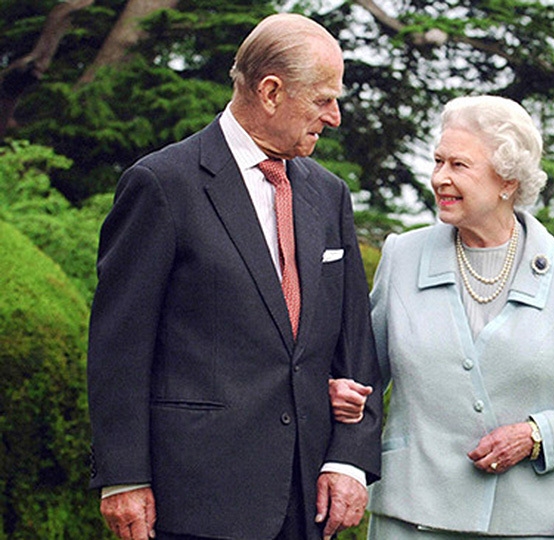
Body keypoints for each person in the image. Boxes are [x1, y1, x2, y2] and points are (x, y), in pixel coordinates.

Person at [87, 13, 382, 540]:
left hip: (307, 498)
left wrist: (350, 460)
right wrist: (122, 478)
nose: (334, 117)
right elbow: (118, 346)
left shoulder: (329, 194)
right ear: (271, 91)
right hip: (196, 500)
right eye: (323, 99)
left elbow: (354, 345)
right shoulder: (162, 184)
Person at [332, 95, 554, 538]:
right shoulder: (402, 256)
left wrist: (538, 436)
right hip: (410, 517)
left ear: (507, 181)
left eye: (459, 165)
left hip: (529, 524)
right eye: (438, 162)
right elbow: (362, 375)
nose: (440, 178)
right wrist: (338, 394)